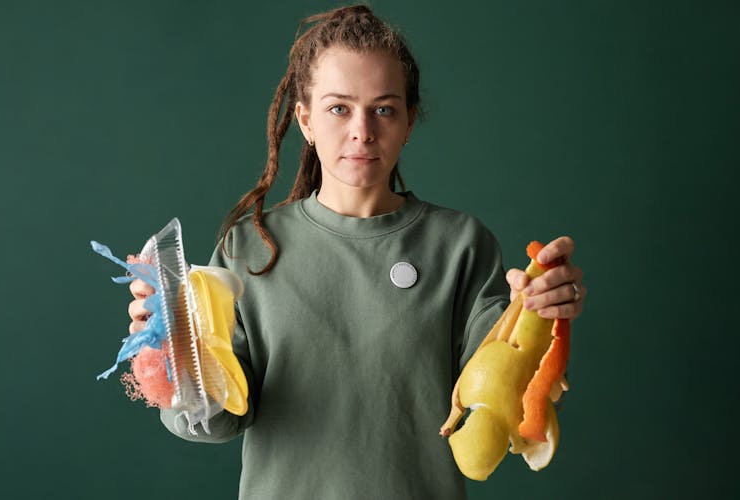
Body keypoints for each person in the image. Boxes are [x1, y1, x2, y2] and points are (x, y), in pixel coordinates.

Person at [127, 5, 586, 499]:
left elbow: (501, 398)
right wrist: (170, 351)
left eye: (384, 109)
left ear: (409, 121)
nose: (362, 130)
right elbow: (214, 421)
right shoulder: (249, 249)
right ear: (304, 120)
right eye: (339, 108)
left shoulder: (461, 246)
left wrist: (539, 312)